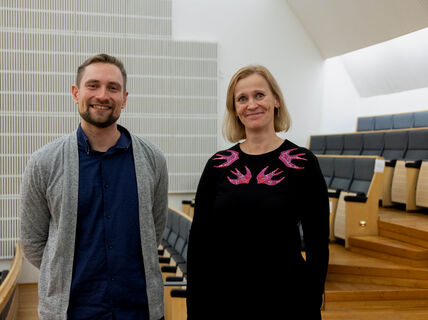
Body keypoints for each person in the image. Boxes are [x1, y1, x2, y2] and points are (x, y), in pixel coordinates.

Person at [20, 53, 168, 320]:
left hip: (139, 311)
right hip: (72, 312)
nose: (103, 95)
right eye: (93, 85)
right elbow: (33, 241)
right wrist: (62, 274)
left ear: (124, 98)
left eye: (113, 88)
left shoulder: (152, 159)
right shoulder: (44, 162)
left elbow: (153, 231)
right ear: (76, 93)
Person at [186, 65, 330, 319]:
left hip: (287, 300)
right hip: (224, 301)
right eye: (242, 99)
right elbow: (199, 243)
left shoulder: (303, 162)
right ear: (235, 110)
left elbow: (318, 243)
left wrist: (312, 300)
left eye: (259, 95)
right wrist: (195, 308)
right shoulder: (218, 164)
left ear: (276, 99)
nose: (251, 104)